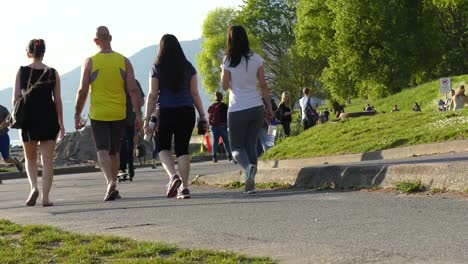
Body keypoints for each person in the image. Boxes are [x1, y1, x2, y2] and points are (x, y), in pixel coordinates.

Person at [74, 26, 142, 201]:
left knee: (102, 150)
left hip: (99, 113)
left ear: (96, 41)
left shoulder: (90, 61)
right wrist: (138, 115)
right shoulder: (124, 61)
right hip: (119, 113)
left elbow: (82, 90)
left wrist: (77, 113)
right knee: (115, 151)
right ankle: (114, 186)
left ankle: (110, 181)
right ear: (110, 38)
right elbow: (133, 90)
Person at [144, 34, 206, 200]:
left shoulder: (156, 67)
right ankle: (185, 188)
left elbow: (152, 95)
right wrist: (202, 115)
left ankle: (173, 176)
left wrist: (146, 118)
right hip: (186, 111)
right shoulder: (189, 67)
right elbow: (195, 93)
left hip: (165, 111)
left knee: (162, 146)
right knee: (182, 148)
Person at [12, 39, 65, 207]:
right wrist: (61, 123)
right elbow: (57, 100)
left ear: (28, 53)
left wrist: (16, 116)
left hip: (28, 118)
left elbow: (15, 99)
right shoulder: (52, 72)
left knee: (31, 158)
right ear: (43, 53)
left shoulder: (21, 72)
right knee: (47, 160)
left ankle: (33, 187)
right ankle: (46, 198)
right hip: (48, 117)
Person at [221, 25, 273, 193]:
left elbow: (224, 86)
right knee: (251, 145)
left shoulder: (228, 60)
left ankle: (248, 169)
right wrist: (269, 107)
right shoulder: (256, 58)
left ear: (230, 40)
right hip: (256, 107)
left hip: (237, 109)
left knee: (236, 148)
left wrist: (227, 76)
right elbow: (263, 86)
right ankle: (251, 184)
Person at [118, 79, 145, 180]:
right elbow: (141, 100)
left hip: (121, 118)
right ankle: (129, 166)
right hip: (131, 118)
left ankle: (123, 168)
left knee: (123, 143)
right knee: (129, 143)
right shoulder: (134, 81)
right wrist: (136, 109)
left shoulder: (117, 81)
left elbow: (141, 99)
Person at [207, 92, 234, 163]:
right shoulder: (224, 106)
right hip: (222, 125)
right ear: (221, 97)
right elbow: (228, 116)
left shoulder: (212, 106)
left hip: (213, 126)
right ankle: (230, 157)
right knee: (226, 141)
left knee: (215, 142)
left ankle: (214, 157)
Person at [0, 105, 23, 172]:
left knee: (6, 159)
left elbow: (11, 121)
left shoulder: (3, 109)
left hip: (3, 137)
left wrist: (3, 126)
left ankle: (17, 163)